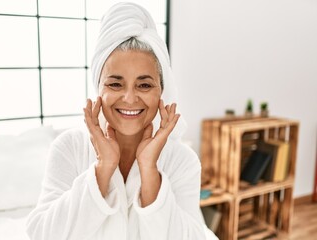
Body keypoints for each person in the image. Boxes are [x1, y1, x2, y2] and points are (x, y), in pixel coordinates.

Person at [26, 2, 217, 240]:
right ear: (99, 89)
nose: (129, 98)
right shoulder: (69, 148)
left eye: (144, 85)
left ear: (161, 92)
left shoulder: (182, 160)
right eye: (115, 84)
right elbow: (41, 235)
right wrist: (102, 168)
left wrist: (149, 171)